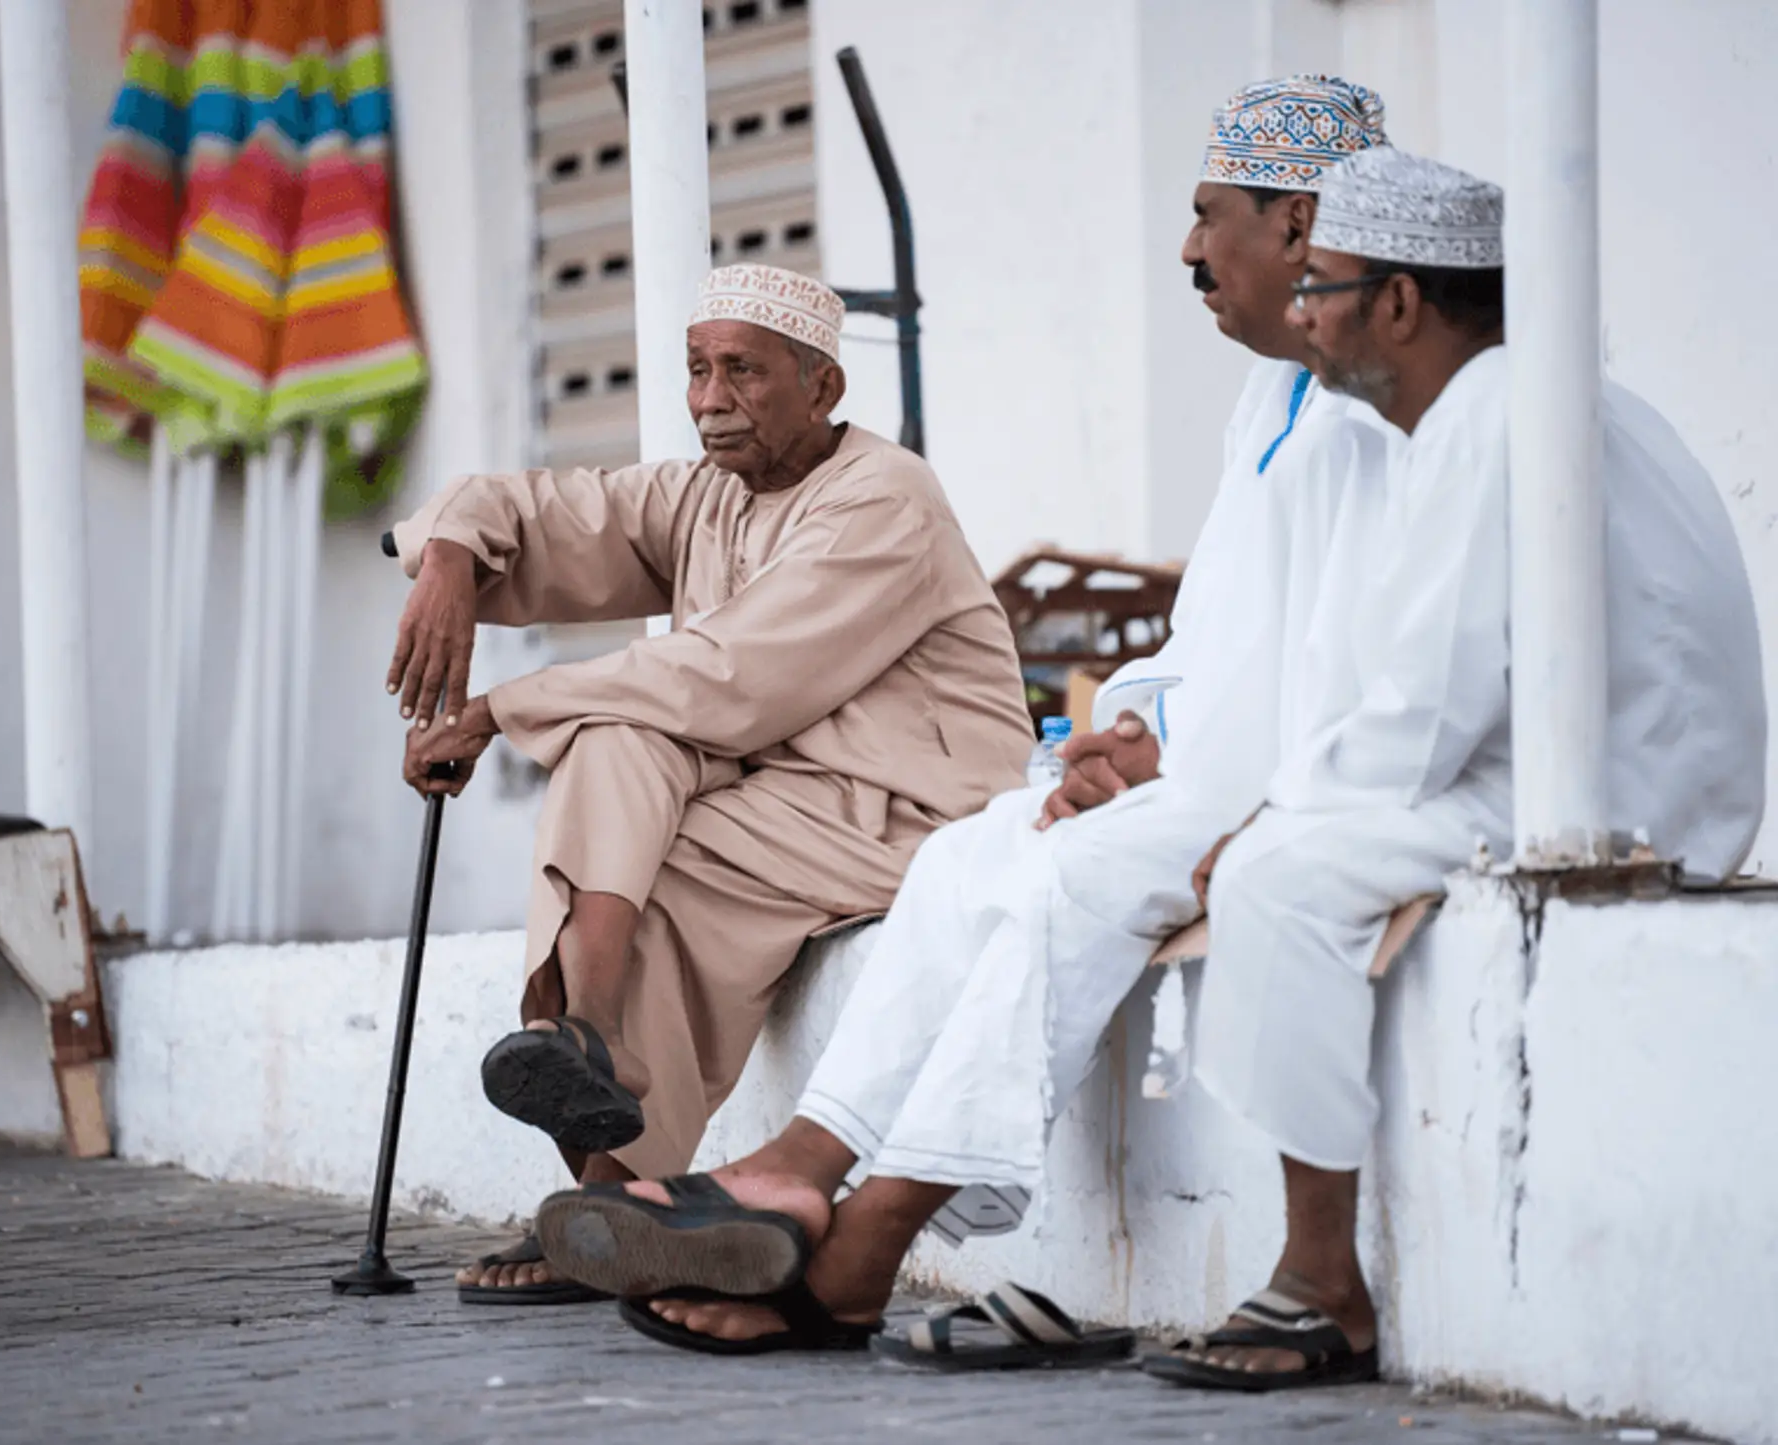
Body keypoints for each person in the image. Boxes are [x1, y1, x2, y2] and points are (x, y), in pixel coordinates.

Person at [529, 76, 1397, 1355]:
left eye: (1211, 216)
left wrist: (1174, 760)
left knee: (1072, 875)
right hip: (1222, 760)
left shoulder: (1395, 412)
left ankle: (864, 1236)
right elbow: (1220, 631)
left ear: (1302, 222)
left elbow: (1370, 668)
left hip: (1328, 779)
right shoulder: (1270, 404)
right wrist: (1128, 728)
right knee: (973, 857)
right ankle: (793, 1161)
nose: (1187, 249)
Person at [1147, 146, 1765, 1392]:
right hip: (1591, 768)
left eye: (1319, 283)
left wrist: (1272, 817)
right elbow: (1413, 692)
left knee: (1275, 876)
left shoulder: (1488, 411)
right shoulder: (1494, 407)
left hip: (1615, 793)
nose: (1303, 314)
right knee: (1276, 843)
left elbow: (1427, 707)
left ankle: (1323, 1280)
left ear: (1401, 302)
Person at [384, 263, 1031, 1302]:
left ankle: (611, 1184)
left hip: (913, 807)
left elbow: (737, 673)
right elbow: (558, 515)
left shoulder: (884, 497)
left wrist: (503, 708)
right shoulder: (708, 493)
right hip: (787, 792)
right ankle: (590, 1037)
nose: (709, 398)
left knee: (656, 813)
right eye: (696, 369)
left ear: (823, 388)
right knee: (620, 745)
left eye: (742, 371)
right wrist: (452, 549)